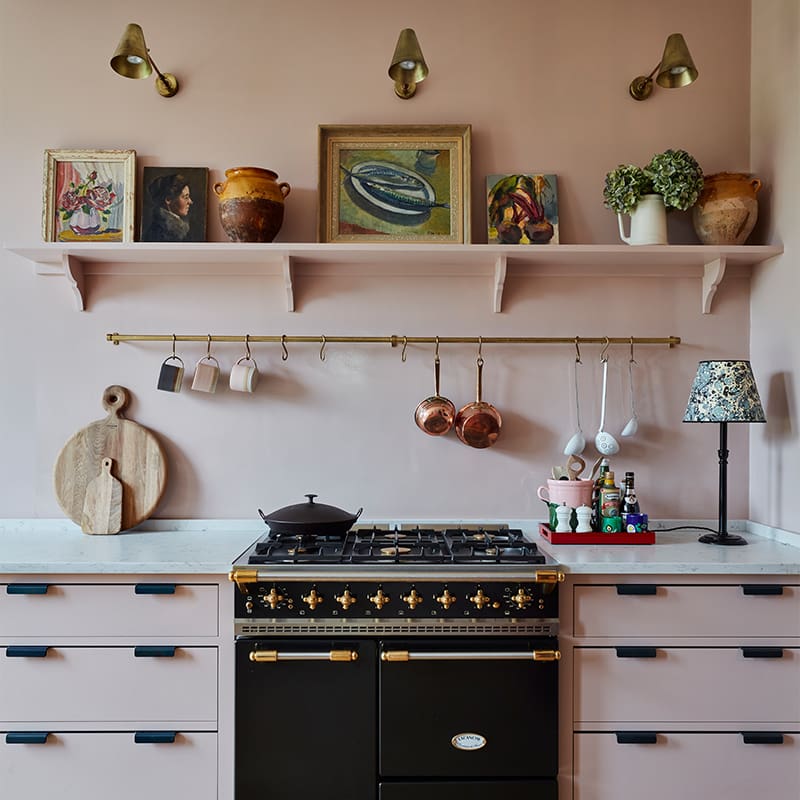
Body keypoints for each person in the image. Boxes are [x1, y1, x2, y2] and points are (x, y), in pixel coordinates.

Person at [143, 173, 193, 241]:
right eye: (185, 197)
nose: (190, 202)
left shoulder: (179, 231)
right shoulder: (158, 233)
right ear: (168, 199)